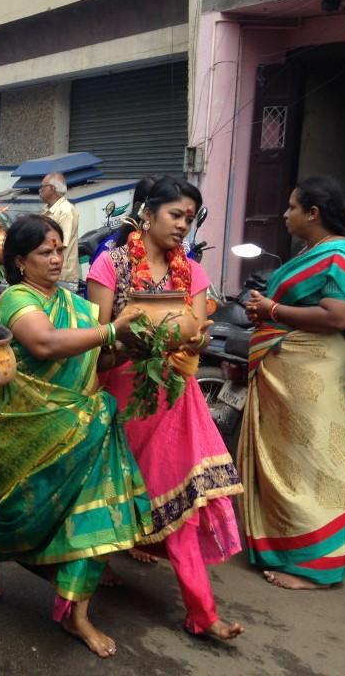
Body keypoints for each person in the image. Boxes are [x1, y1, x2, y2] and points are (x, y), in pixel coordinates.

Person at [0, 215, 151, 658]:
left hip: (82, 426)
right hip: (27, 426)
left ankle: (77, 613)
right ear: (20, 261)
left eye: (58, 249)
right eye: (44, 252)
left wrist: (139, 344)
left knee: (93, 515)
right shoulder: (17, 298)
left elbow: (94, 361)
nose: (56, 259)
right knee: (19, 510)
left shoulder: (73, 302)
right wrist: (112, 329)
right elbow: (46, 345)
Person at [86, 176, 244, 640]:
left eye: (189, 219)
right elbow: (98, 342)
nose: (183, 226)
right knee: (110, 492)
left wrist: (195, 337)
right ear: (148, 214)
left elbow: (195, 328)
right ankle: (77, 598)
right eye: (176, 215)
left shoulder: (191, 271)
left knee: (184, 500)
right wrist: (125, 335)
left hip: (174, 398)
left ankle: (202, 612)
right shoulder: (110, 264)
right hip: (119, 393)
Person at [238, 177, 345, 590]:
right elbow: (296, 308)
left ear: (314, 213)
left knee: (315, 466)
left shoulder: (341, 254)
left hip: (315, 374)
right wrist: (269, 313)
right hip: (291, 373)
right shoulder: (313, 252)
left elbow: (339, 317)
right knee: (290, 465)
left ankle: (317, 568)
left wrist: (272, 308)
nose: (285, 213)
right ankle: (288, 548)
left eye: (292, 207)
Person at [39, 172, 79, 292]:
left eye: (42, 187)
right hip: (49, 275)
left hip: (63, 278)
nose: (39, 190)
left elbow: (60, 245)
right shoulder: (47, 210)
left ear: (52, 189)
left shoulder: (66, 211)